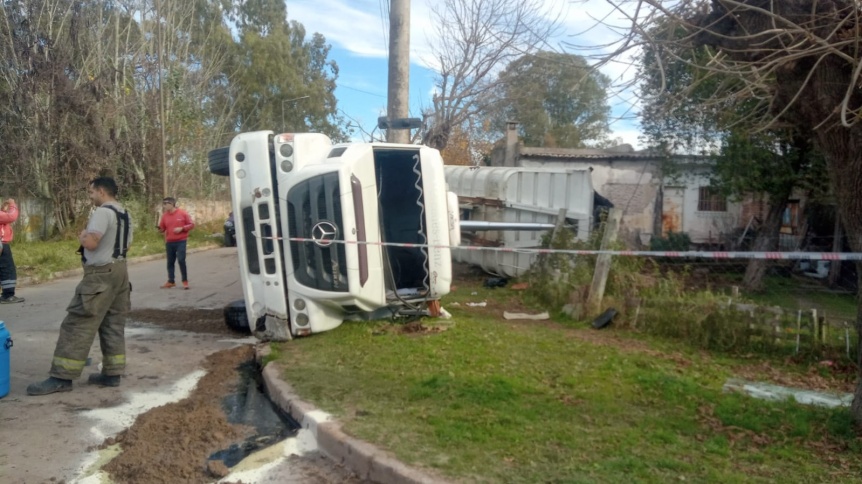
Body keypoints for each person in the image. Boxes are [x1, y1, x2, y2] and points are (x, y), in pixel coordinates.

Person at [27, 177, 133, 395]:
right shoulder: (124, 213)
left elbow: (92, 242)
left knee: (77, 324)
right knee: (113, 323)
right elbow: (127, 244)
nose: (90, 197)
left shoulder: (103, 212)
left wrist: (83, 236)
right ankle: (112, 374)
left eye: (91, 193)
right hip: (120, 272)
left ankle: (61, 378)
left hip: (100, 274)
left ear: (102, 191)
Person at [157, 197, 195, 290]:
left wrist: (182, 228)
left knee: (181, 260)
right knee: (170, 262)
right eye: (163, 204)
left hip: (181, 241)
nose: (164, 205)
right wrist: (160, 229)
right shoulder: (164, 216)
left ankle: (185, 281)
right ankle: (171, 281)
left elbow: (191, 224)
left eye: (166, 203)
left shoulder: (183, 213)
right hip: (169, 242)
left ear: (172, 204)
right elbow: (163, 228)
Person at [0, 198, 24, 304]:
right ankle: (8, 295)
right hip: (2, 245)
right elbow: (11, 216)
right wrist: (12, 204)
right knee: (7, 269)